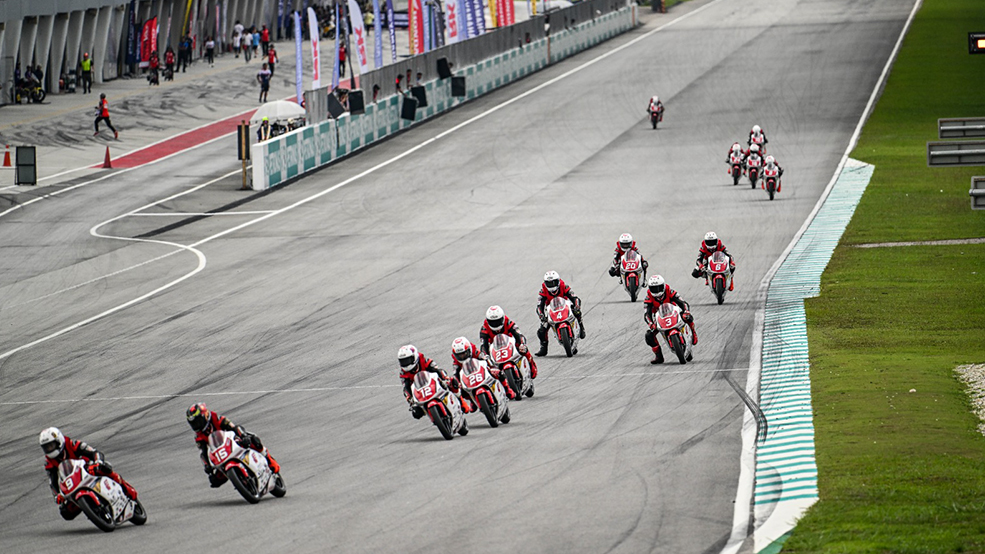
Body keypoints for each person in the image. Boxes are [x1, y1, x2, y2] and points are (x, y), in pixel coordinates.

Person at [39, 427, 138, 520]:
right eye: (46, 448)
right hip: (72, 483)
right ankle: (91, 508)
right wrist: (57, 495)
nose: (49, 449)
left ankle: (126, 488)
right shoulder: (49, 462)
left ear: (59, 441)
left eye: (51, 446)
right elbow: (52, 481)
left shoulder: (72, 444)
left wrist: (98, 462)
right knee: (65, 512)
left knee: (104, 468)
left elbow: (95, 452)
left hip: (88, 470)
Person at [185, 403, 281, 488]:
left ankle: (269, 459)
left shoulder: (216, 418)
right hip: (221, 454)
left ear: (205, 416)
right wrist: (208, 468)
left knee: (254, 441)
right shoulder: (198, 436)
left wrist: (243, 436)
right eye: (193, 423)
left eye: (198, 421)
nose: (196, 425)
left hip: (232, 441)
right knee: (216, 480)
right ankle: (242, 482)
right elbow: (203, 453)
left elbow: (234, 427)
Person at [398, 345, 472, 418]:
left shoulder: (424, 360)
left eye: (407, 360)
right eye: (403, 361)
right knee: (416, 413)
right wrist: (409, 398)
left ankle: (460, 400)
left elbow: (437, 370)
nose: (406, 364)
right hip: (420, 392)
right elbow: (406, 387)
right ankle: (433, 416)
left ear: (415, 357)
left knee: (452, 382)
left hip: (433, 383)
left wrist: (445, 378)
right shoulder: (403, 373)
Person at [643, 275, 696, 364]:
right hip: (659, 317)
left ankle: (693, 333)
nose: (657, 291)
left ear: (663, 286)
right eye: (654, 288)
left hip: (674, 313)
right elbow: (646, 314)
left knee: (688, 317)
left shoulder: (670, 291)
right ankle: (659, 356)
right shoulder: (648, 298)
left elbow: (683, 303)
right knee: (649, 335)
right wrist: (651, 324)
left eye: (659, 288)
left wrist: (686, 312)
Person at [478, 306, 537, 385]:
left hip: (510, 344)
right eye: (492, 322)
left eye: (498, 321)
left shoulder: (508, 322)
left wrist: (521, 344)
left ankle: (532, 367)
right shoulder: (484, 328)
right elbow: (483, 345)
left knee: (524, 349)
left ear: (502, 318)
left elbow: (519, 334)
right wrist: (485, 356)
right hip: (495, 349)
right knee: (487, 364)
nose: (495, 324)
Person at [535, 270, 585, 356]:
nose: (552, 285)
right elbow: (539, 305)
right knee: (542, 330)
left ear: (558, 281)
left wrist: (577, 305)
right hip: (552, 310)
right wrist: (541, 315)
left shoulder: (564, 286)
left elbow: (575, 297)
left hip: (565, 307)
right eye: (549, 283)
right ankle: (543, 348)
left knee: (577, 312)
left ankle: (581, 326)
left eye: (553, 282)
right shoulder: (543, 290)